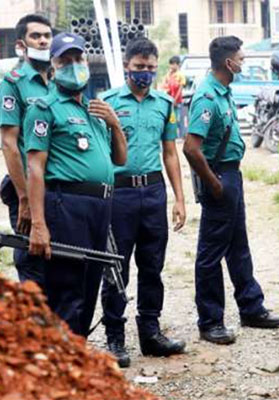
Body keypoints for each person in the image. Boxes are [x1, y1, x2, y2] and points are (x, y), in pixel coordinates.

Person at [23, 32, 128, 337]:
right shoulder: (44, 107)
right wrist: (39, 224)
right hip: (67, 205)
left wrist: (114, 123)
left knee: (90, 287)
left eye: (78, 59)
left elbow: (120, 159)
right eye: (65, 61)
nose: (74, 65)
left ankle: (77, 361)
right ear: (53, 68)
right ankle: (63, 370)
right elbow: (35, 166)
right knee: (68, 290)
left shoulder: (95, 110)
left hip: (101, 206)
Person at [184, 36, 279, 345]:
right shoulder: (206, 96)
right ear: (229, 63)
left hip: (232, 176)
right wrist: (214, 183)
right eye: (241, 58)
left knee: (238, 246)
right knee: (211, 253)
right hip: (220, 179)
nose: (244, 62)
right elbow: (191, 148)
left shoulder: (223, 92)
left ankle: (251, 307)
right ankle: (211, 320)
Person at [99, 38, 186, 368]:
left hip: (153, 192)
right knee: (115, 266)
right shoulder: (106, 103)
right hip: (119, 195)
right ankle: (115, 338)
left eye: (151, 68)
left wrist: (179, 198)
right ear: (126, 66)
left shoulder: (164, 103)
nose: (145, 74)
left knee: (153, 265)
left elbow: (170, 153)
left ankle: (151, 333)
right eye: (139, 68)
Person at [0, 14, 54, 288]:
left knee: (60, 262)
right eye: (36, 36)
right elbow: (9, 144)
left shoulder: (61, 78)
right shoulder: (13, 82)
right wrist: (24, 197)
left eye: (47, 35)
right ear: (22, 44)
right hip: (26, 187)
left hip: (58, 189)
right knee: (33, 264)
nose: (43, 40)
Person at [161, 56, 186, 138]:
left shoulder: (180, 75)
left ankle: (182, 136)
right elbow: (165, 86)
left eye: (174, 64)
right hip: (169, 100)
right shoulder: (168, 75)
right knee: (171, 119)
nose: (172, 66)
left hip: (177, 101)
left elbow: (180, 89)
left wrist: (175, 100)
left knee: (179, 118)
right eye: (171, 64)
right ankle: (173, 135)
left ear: (177, 65)